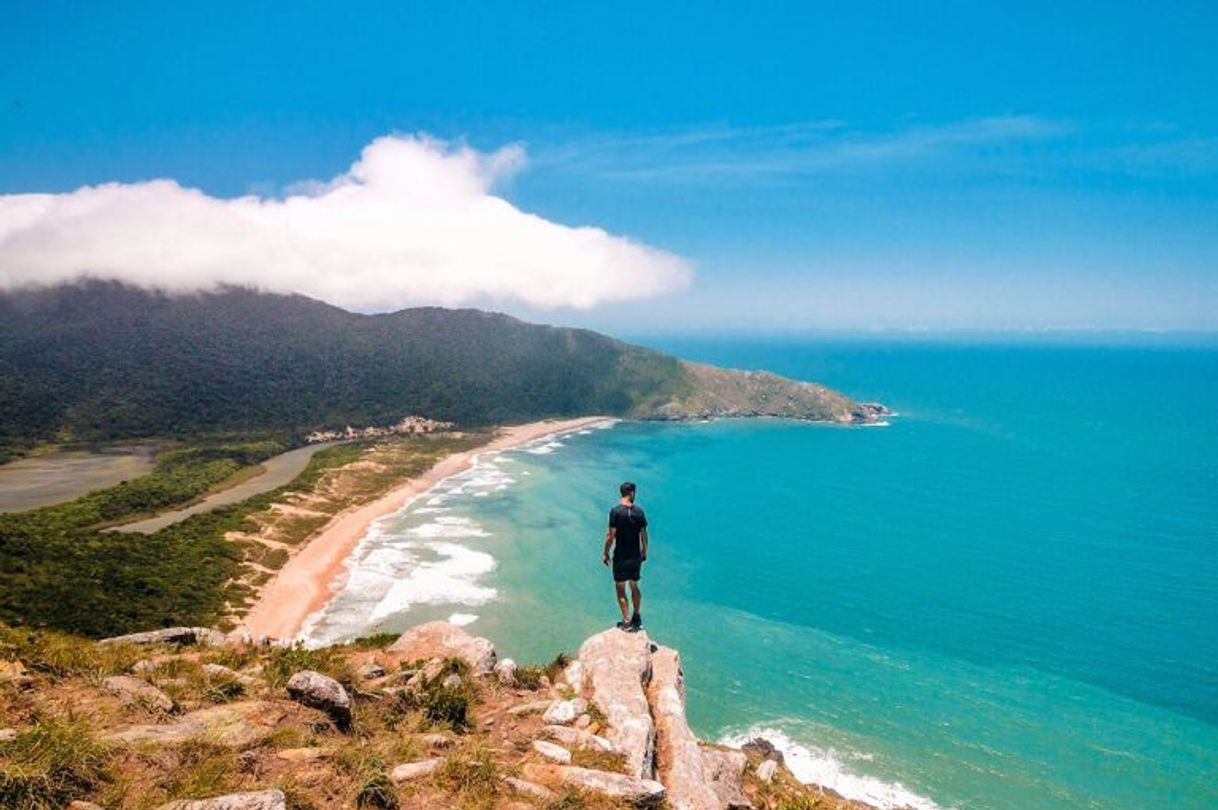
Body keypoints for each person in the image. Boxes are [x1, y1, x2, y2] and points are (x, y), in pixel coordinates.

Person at [603, 481, 648, 631]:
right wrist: (644, 551)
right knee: (634, 584)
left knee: (620, 588)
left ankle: (626, 620)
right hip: (635, 555)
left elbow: (611, 536)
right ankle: (637, 615)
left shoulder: (615, 512)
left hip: (621, 556)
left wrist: (605, 552)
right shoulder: (639, 512)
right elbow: (644, 535)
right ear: (631, 493)